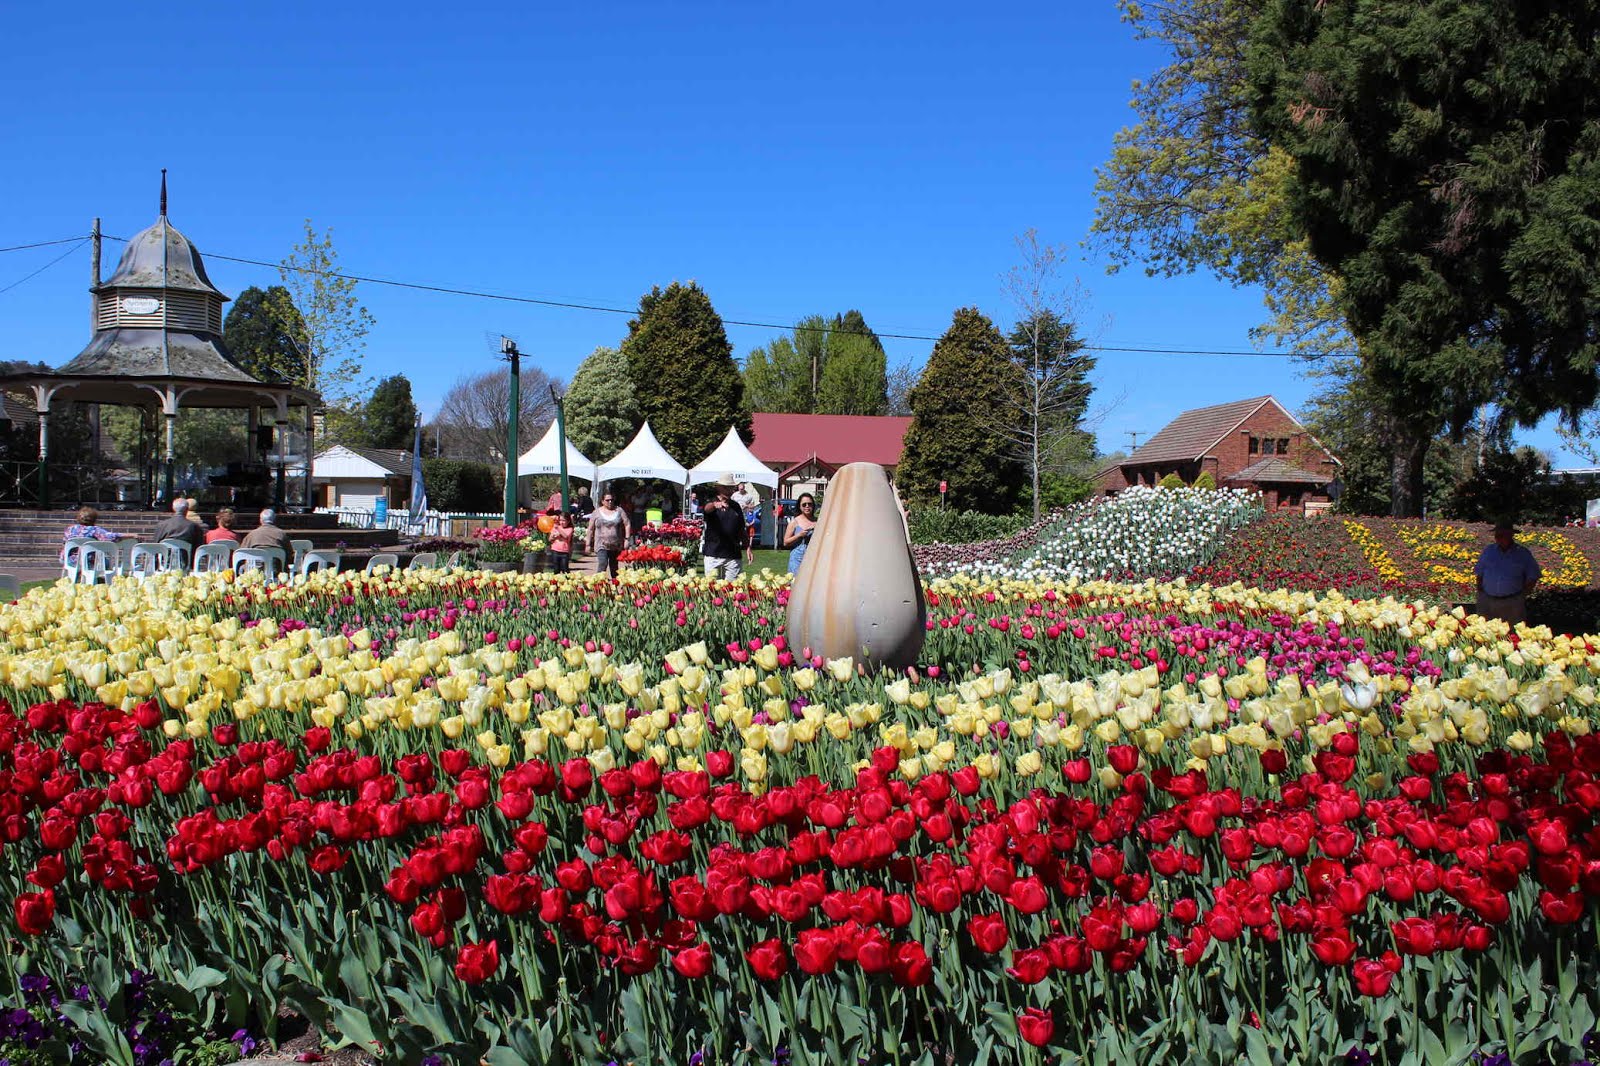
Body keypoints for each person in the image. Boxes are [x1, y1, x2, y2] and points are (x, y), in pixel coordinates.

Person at [1474, 522, 1541, 624]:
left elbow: (1533, 575)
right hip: (1487, 600)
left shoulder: (1522, 553)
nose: (1497, 537)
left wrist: (1521, 596)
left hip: (1512, 602)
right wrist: (1480, 592)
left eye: (1501, 535)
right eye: (1496, 535)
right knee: (1484, 634)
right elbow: (1479, 572)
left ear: (1510, 535)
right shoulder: (1489, 551)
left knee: (1512, 636)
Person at [701, 473, 749, 580]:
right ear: (719, 488)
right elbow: (706, 509)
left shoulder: (735, 506)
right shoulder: (711, 501)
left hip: (733, 554)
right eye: (727, 488)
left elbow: (741, 529)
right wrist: (715, 505)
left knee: (732, 589)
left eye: (732, 488)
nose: (730, 490)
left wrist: (748, 547)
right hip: (713, 554)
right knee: (711, 588)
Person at [585, 491, 630, 578]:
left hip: (615, 545)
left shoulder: (619, 510)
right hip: (601, 544)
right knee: (603, 563)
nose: (610, 502)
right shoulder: (596, 512)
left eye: (612, 500)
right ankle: (598, 584)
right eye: (607, 500)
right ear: (602, 501)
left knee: (614, 567)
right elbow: (590, 529)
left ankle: (615, 585)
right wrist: (587, 544)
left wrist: (627, 539)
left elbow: (627, 523)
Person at [783, 493, 818, 575]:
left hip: (813, 558)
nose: (807, 506)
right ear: (799, 506)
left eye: (810, 504)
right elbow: (785, 542)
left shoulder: (818, 522)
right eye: (804, 504)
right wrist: (799, 535)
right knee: (795, 584)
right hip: (797, 559)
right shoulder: (795, 522)